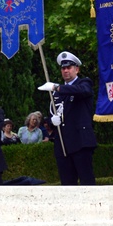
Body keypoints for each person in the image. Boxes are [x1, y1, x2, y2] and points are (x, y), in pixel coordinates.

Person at [38, 51, 97, 185]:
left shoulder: (84, 83)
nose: (65, 71)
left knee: (86, 181)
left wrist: (56, 87)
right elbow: (52, 112)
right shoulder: (57, 93)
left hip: (80, 142)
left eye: (69, 68)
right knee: (67, 184)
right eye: (63, 68)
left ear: (77, 69)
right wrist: (51, 122)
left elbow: (83, 91)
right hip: (63, 143)